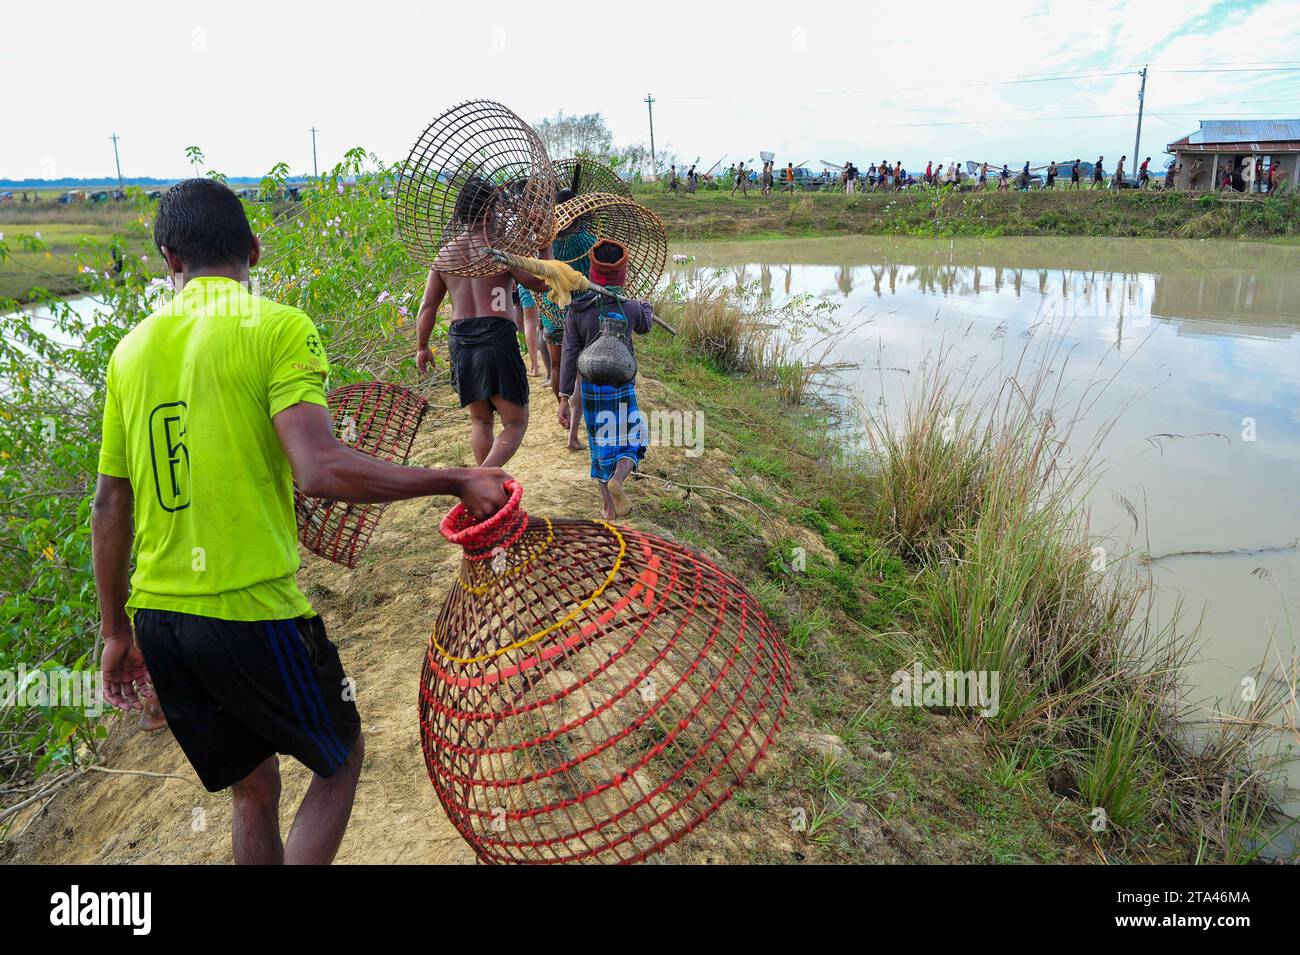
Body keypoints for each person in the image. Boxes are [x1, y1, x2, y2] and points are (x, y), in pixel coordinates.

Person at [94, 178, 511, 866]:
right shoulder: (278, 327)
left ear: (169, 258)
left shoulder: (128, 353)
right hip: (250, 611)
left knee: (252, 787)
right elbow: (320, 467)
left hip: (159, 619)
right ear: (254, 249)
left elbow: (110, 504)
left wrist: (114, 631)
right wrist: (456, 477)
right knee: (341, 756)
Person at [415, 177, 549, 468]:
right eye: (497, 209)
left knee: (481, 420)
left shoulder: (446, 253)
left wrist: (422, 346)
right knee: (515, 424)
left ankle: (484, 488)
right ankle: (481, 479)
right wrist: (545, 245)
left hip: (460, 340)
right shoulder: (499, 250)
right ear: (490, 211)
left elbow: (428, 306)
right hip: (495, 338)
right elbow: (541, 284)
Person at [557, 240, 654, 520]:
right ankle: (618, 481)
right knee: (633, 439)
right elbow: (645, 326)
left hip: (590, 388)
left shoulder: (577, 309)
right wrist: (646, 307)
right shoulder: (631, 307)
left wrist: (564, 397)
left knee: (600, 446)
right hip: (622, 385)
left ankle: (608, 509)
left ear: (592, 271)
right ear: (622, 274)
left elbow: (570, 353)